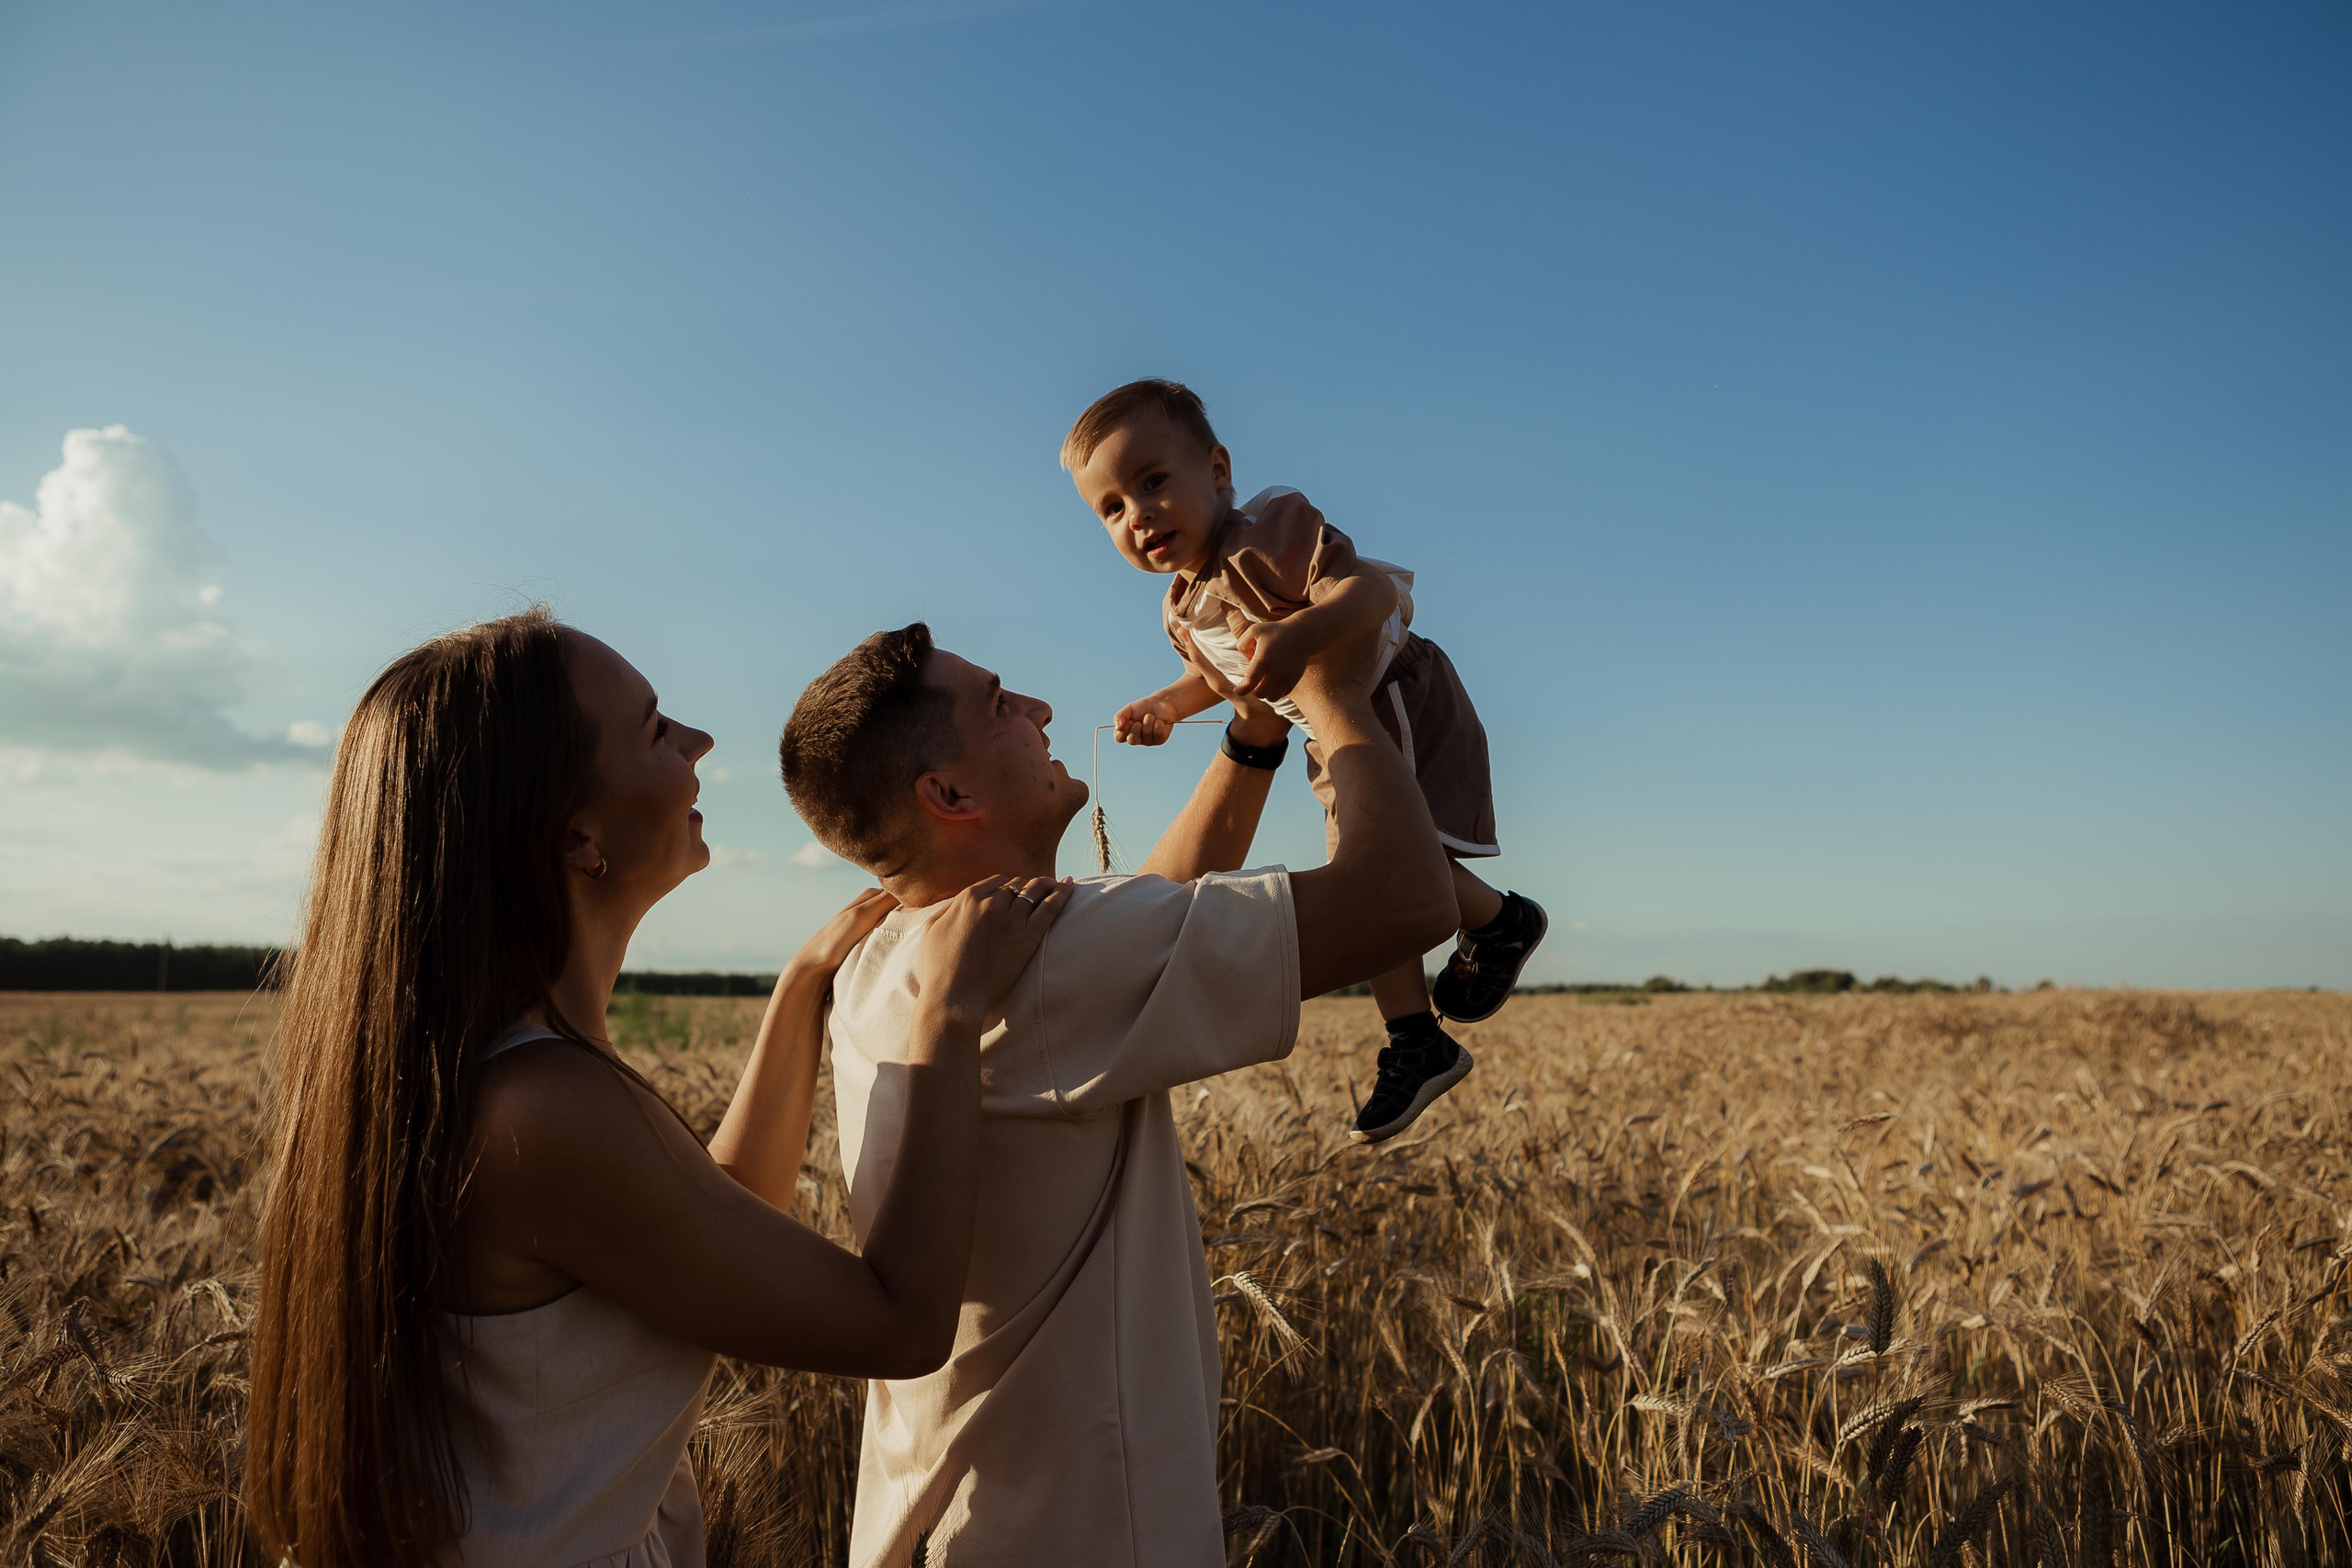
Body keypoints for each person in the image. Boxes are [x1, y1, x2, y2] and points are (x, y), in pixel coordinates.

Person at [244, 608, 1069, 1568]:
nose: (701, 741)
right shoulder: (540, 1112)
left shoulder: (513, 1075)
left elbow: (712, 1217)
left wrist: (800, 993)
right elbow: (900, 1321)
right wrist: (946, 1019)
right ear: (576, 836)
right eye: (655, 728)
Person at [776, 615, 1456, 1567]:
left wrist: (1252, 735)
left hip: (950, 1522)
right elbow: (1406, 904)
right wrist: (1332, 696)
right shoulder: (1053, 960)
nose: (1043, 708)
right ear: (949, 792)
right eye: (1001, 704)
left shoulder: (886, 957)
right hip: (1080, 1531)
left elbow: (1154, 916)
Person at [1064, 378, 1550, 1143]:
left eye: (1153, 482)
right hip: (1332, 728)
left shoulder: (1269, 529)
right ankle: (1424, 1026)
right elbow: (1220, 676)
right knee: (1371, 872)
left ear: (1218, 471)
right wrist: (1166, 706)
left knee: (1384, 866)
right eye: (1112, 508)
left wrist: (1302, 636)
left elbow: (1370, 593)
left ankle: (1491, 936)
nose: (1139, 515)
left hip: (1390, 694)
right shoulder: (1180, 607)